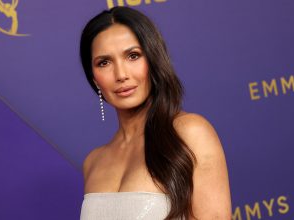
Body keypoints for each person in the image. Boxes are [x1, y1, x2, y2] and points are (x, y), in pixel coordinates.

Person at [79, 6, 231, 220]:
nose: (121, 74)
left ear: (153, 60)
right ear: (94, 78)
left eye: (133, 56)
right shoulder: (93, 161)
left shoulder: (190, 133)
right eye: (104, 62)